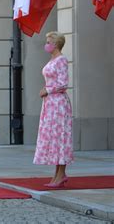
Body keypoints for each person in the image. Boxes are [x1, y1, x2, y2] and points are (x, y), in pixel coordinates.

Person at [34, 32, 73, 188]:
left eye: (49, 41)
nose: (46, 44)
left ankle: (61, 173)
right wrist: (46, 89)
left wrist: (48, 90)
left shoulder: (62, 60)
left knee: (60, 137)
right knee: (53, 138)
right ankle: (57, 174)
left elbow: (63, 83)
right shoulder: (53, 60)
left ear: (56, 44)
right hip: (50, 103)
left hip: (58, 104)